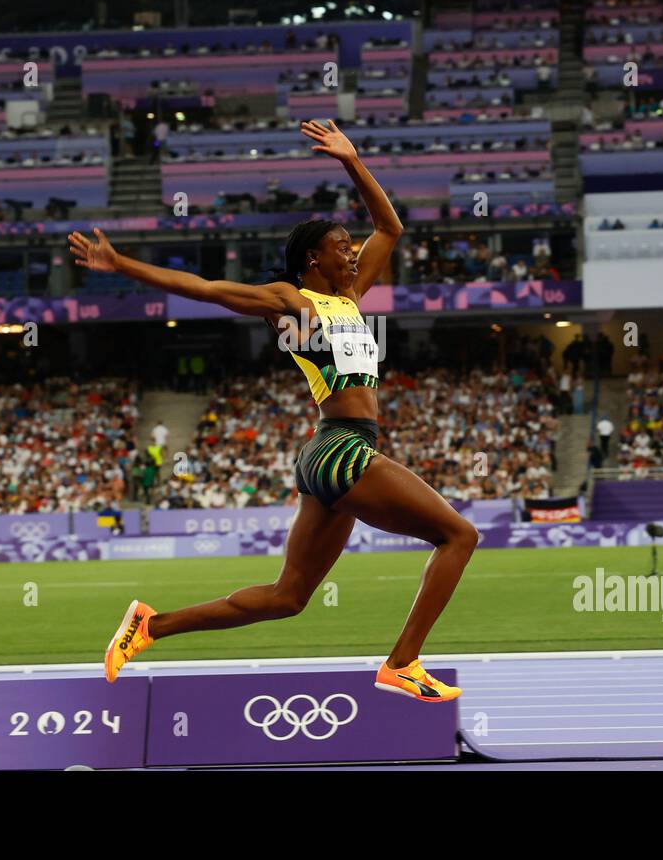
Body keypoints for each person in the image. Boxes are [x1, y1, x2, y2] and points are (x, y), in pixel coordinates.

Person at [70, 120, 474, 703]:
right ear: (313, 258)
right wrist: (123, 266)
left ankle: (149, 626)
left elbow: (391, 226)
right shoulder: (290, 300)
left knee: (288, 598)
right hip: (342, 449)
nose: (354, 252)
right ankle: (403, 662)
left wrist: (351, 161)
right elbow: (205, 288)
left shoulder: (350, 297)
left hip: (326, 456)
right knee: (459, 535)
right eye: (342, 246)